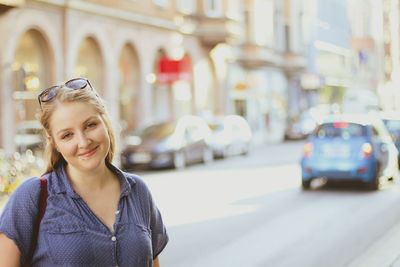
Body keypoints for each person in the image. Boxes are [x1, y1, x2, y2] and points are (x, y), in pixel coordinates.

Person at [0, 78, 168, 266]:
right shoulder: (32, 196)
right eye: (67, 135)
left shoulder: (138, 191)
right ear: (54, 142)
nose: (83, 142)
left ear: (104, 121)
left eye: (90, 125)